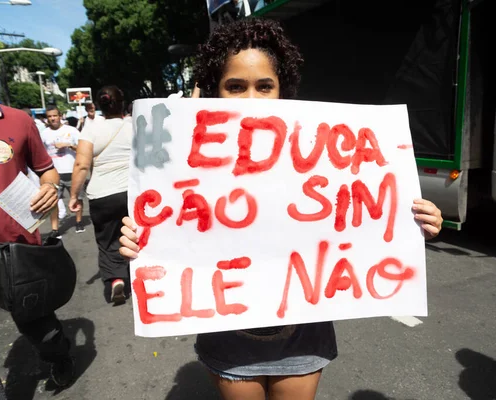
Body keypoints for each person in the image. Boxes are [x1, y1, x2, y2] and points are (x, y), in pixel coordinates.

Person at [119, 19, 443, 400]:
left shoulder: (316, 149)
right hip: (227, 330)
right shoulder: (183, 162)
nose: (252, 99)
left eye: (264, 86)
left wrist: (414, 220)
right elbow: (170, 230)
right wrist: (142, 241)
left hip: (303, 331)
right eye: (235, 87)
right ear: (215, 92)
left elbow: (366, 211)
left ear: (282, 90)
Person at [0, 60, 75, 396]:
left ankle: (60, 357)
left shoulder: (16, 119)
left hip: (16, 252)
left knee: (41, 329)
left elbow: (47, 170)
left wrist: (50, 188)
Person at [69, 86, 132, 305]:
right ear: (123, 102)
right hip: (133, 192)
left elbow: (81, 164)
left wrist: (74, 196)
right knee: (136, 234)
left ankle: (116, 279)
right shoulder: (135, 124)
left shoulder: (91, 128)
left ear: (98, 105)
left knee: (107, 240)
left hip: (102, 195)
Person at [42, 105, 85, 236]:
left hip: (72, 171)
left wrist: (68, 145)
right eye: (50, 116)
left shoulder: (71, 131)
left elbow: (83, 149)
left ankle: (78, 221)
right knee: (53, 200)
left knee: (77, 198)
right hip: (53, 172)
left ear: (60, 116)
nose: (53, 118)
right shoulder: (44, 134)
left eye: (55, 115)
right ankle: (55, 229)